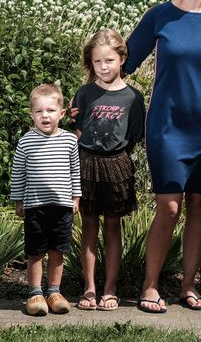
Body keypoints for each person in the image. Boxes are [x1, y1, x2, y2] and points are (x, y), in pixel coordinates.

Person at [124, 0, 201, 313]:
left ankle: (188, 285)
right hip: (166, 127)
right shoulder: (159, 16)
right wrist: (90, 97)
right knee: (169, 207)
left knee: (199, 204)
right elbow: (124, 62)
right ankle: (150, 286)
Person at [72, 28, 145, 311]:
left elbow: (135, 134)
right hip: (86, 164)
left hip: (118, 166)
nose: (104, 67)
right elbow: (79, 131)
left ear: (122, 59)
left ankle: (110, 288)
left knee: (113, 227)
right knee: (89, 226)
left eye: (109, 61)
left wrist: (116, 158)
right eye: (98, 62)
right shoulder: (85, 93)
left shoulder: (132, 97)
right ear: (91, 64)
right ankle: (89, 288)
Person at [10, 84, 81, 316]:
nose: (45, 116)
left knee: (57, 251)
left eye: (51, 110)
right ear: (32, 114)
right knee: (36, 252)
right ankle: (34, 293)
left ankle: (54, 292)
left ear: (61, 113)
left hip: (62, 207)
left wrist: (75, 197)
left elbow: (74, 171)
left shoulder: (69, 141)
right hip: (36, 208)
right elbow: (18, 173)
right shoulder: (26, 142)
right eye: (39, 111)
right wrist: (19, 200)